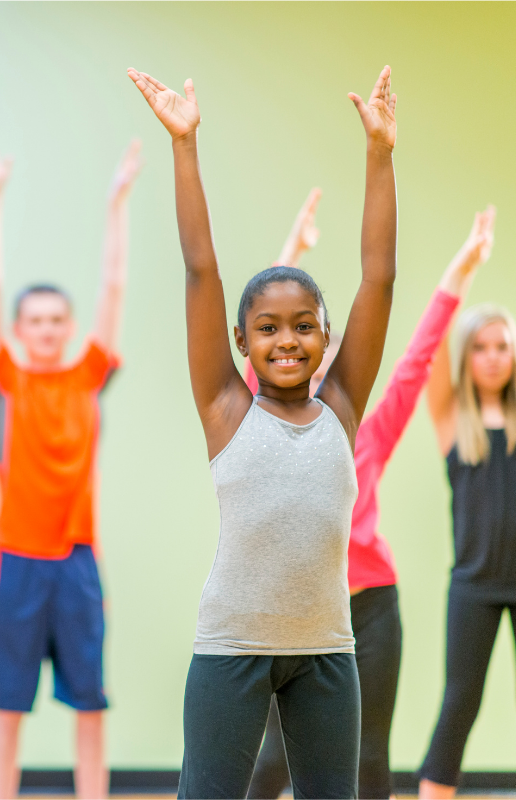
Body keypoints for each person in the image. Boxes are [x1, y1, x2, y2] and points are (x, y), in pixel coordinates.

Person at [127, 64, 397, 798]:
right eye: (268, 328)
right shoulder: (226, 410)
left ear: (326, 335)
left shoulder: (341, 407)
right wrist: (185, 144)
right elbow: (198, 267)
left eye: (305, 326)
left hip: (325, 654)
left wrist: (380, 156)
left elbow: (379, 276)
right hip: (231, 651)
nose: (288, 340)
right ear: (241, 342)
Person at [246, 203, 497, 800]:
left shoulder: (369, 428)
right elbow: (267, 316)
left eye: (318, 338)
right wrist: (293, 248)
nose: (306, 348)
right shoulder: (263, 419)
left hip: (373, 609)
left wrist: (459, 272)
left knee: (368, 757)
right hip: (302, 609)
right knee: (273, 762)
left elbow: (417, 358)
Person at [0, 136, 140, 800]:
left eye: (56, 320)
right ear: (18, 328)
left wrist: (116, 204)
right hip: (18, 559)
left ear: (68, 328)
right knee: (9, 706)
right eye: (33, 320)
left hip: (77, 558)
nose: (45, 328)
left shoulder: (88, 376)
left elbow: (114, 285)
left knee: (90, 703)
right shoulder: (6, 377)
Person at [418, 242, 516, 797]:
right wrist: (463, 268)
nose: (493, 356)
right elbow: (428, 341)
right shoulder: (451, 416)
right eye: (481, 347)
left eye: (503, 346)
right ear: (466, 356)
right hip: (473, 584)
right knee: (459, 702)